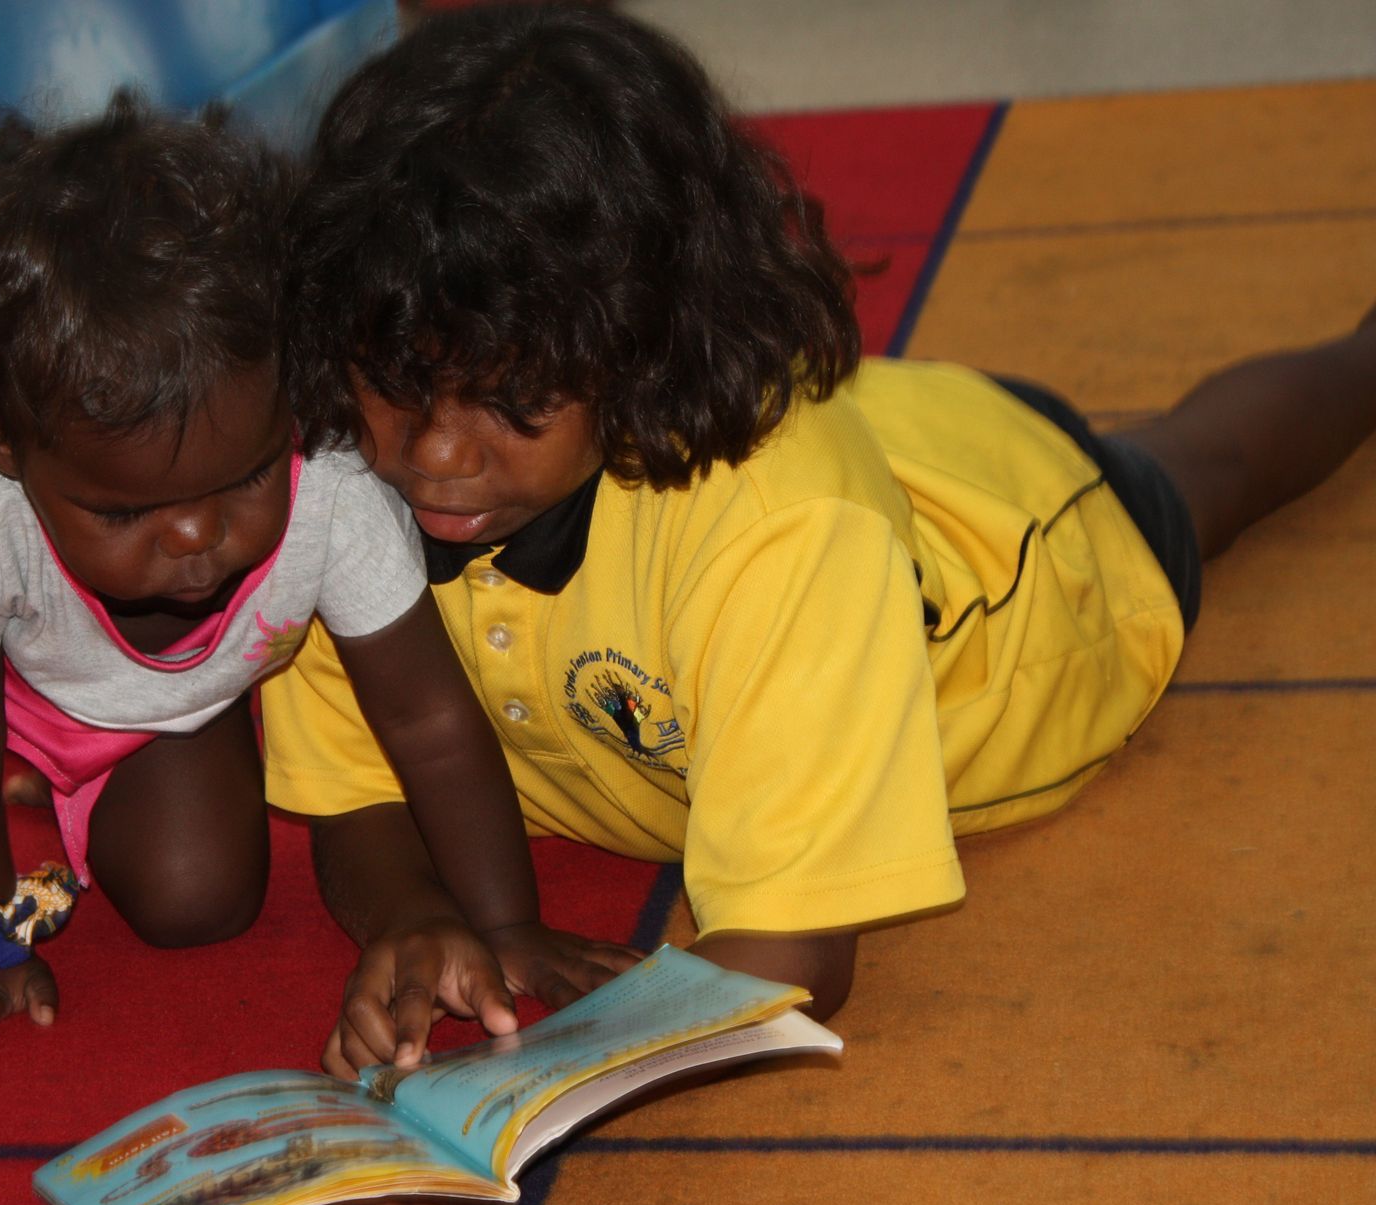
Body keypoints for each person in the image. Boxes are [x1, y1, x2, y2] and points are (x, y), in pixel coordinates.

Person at [262, 5, 1376, 1083]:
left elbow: (789, 959)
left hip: (1026, 576)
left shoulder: (790, 534)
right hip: (851, 437)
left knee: (1197, 470)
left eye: (510, 399)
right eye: (401, 388)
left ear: (639, 346)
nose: (440, 456)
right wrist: (413, 914)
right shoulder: (343, 462)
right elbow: (352, 780)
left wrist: (493, 1101)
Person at [0, 93, 628, 1057]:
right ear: (8, 445)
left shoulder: (330, 482)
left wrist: (508, 926)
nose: (197, 537)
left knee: (197, 895)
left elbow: (432, 722)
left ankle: (61, 751)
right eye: (128, 512)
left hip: (123, 676)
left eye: (244, 478)